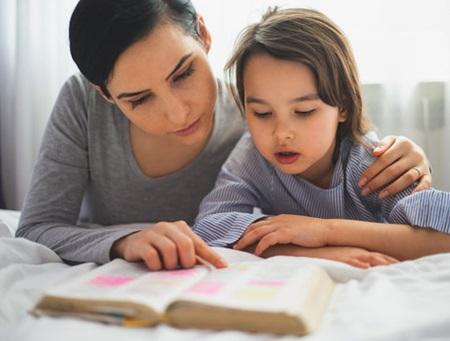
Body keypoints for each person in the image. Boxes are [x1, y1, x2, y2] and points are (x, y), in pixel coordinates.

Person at [17, 0, 431, 271]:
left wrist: (407, 156)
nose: (179, 113)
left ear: (204, 34)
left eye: (183, 74)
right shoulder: (82, 103)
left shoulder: (258, 114)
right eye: (139, 99)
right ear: (104, 93)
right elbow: (38, 228)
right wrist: (124, 240)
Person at [193, 7, 450, 269]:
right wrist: (307, 252)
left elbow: (443, 237)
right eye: (262, 113)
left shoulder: (370, 164)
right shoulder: (252, 157)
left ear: (343, 106)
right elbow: (209, 227)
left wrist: (325, 231)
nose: (282, 133)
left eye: (304, 112)